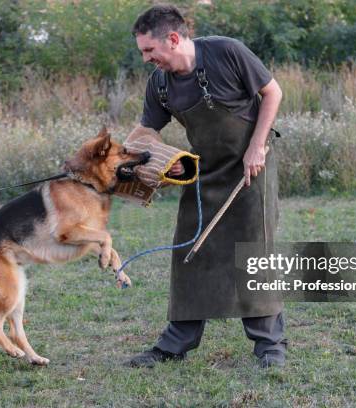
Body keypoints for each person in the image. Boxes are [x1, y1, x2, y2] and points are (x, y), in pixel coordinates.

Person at [124, 4, 287, 369]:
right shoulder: (160, 84)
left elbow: (272, 92)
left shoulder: (226, 52)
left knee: (254, 251)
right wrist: (117, 158)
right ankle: (174, 344)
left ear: (174, 38)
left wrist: (257, 146)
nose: (147, 59)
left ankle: (270, 346)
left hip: (251, 168)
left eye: (150, 51)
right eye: (142, 53)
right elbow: (148, 129)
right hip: (204, 172)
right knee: (189, 250)